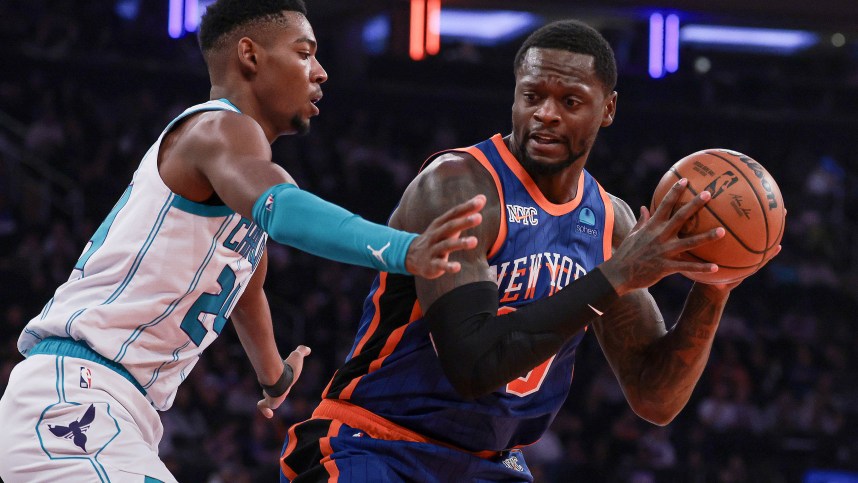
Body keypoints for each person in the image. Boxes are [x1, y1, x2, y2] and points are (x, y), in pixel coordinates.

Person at [0, 1, 486, 481]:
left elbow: (245, 295)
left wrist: (275, 377)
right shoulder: (217, 128)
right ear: (250, 56)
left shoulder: (232, 186)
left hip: (121, 411)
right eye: (304, 53)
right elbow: (284, 210)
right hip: (76, 394)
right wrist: (403, 249)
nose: (321, 73)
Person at [279, 19, 780, 482]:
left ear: (607, 109)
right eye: (532, 95)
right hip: (373, 444)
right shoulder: (459, 187)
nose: (546, 114)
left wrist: (715, 288)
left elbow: (655, 397)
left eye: (570, 101)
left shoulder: (610, 222)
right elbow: (472, 365)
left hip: (488, 465)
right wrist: (614, 277)